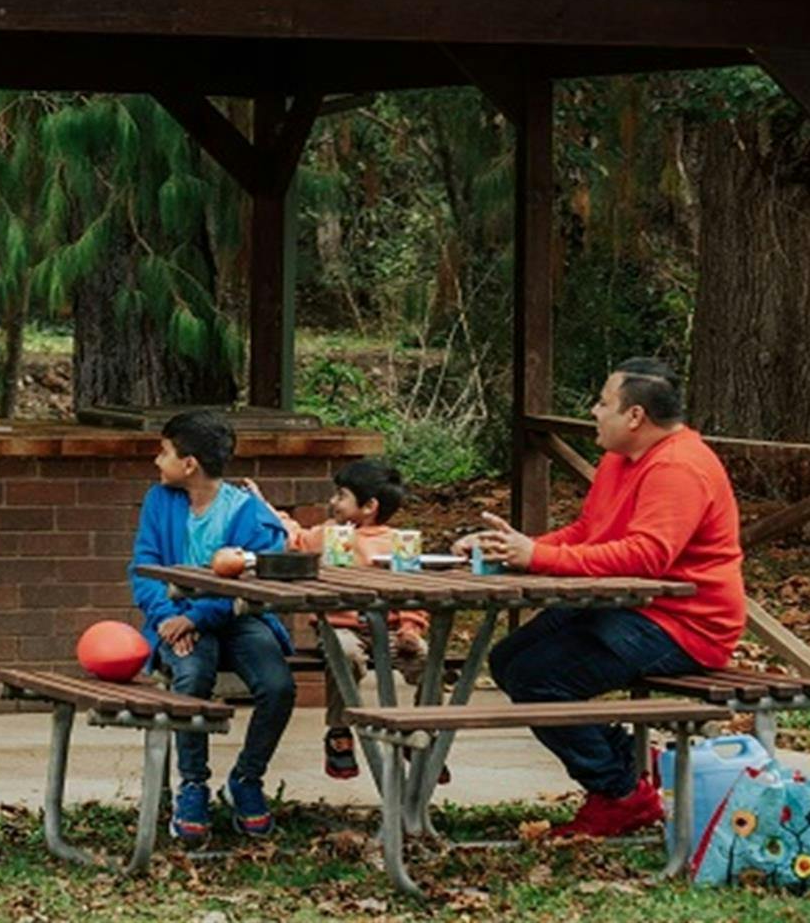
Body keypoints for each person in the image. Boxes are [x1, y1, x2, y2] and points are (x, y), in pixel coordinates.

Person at [456, 357, 744, 839]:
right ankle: (628, 764)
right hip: (626, 608)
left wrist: (538, 558)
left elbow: (646, 556)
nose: (593, 411)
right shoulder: (619, 459)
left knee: (539, 678)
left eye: (603, 402)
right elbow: (591, 531)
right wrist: (519, 549)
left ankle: (620, 795)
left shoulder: (679, 466)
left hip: (685, 624)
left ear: (635, 416)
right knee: (510, 659)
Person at [129, 410, 296, 844]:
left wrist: (194, 615)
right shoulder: (159, 501)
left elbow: (250, 587)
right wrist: (168, 619)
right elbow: (143, 569)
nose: (156, 461)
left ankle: (246, 779)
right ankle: (193, 785)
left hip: (239, 618)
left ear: (190, 464)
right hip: (176, 623)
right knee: (192, 675)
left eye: (163, 452)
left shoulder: (249, 513)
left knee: (278, 686)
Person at [242, 458, 433, 780]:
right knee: (345, 654)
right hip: (343, 628)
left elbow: (414, 590)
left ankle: (423, 730)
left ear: (369, 505)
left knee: (430, 660)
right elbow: (295, 537)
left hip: (389, 629)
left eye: (341, 495)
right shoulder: (332, 534)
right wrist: (263, 506)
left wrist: (410, 628)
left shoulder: (400, 542)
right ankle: (339, 730)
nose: (333, 502)